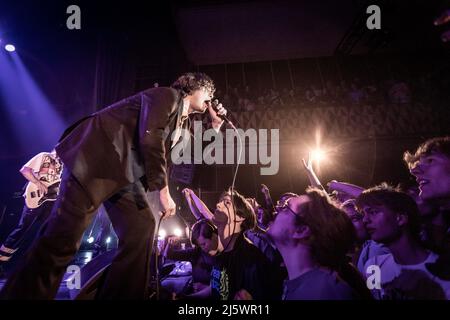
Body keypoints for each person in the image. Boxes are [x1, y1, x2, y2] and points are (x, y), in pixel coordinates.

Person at [0, 72, 227, 299]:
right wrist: (163, 191)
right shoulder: (166, 95)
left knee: (142, 228)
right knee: (63, 239)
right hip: (93, 160)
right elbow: (150, 138)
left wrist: (215, 126)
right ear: (194, 88)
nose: (211, 98)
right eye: (209, 92)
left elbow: (186, 152)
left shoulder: (182, 120)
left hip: (122, 174)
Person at [267, 188, 366, 300]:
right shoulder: (303, 284)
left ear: (301, 230)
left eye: (286, 208)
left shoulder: (327, 292)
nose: (277, 209)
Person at [357, 184, 450, 300]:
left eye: (373, 212)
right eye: (363, 214)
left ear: (400, 218)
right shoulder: (373, 267)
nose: (365, 220)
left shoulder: (443, 271)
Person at [0, 150, 62, 274]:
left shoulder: (63, 164)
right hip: (37, 196)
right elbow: (25, 170)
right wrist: (38, 183)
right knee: (23, 229)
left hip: (51, 200)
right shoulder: (44, 156)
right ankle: (1, 260)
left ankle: (39, 263)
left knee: (49, 229)